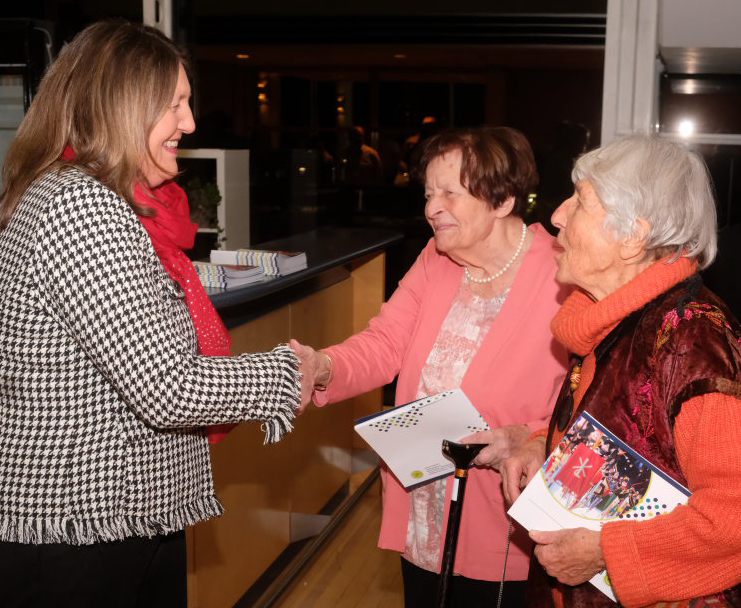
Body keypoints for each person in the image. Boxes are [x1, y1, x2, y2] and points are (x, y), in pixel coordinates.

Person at [0, 20, 318, 608]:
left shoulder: (75, 195)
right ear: (120, 105)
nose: (190, 123)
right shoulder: (83, 207)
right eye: (175, 103)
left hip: (112, 515)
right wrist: (292, 372)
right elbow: (168, 387)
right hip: (84, 523)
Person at [292, 126, 570, 608]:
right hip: (423, 510)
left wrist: (530, 437)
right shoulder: (436, 258)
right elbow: (385, 343)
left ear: (503, 200)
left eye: (450, 193)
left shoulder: (563, 275)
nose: (431, 208)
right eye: (428, 194)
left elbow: (592, 403)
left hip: (505, 523)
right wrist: (324, 366)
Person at [502, 135, 741, 607]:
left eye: (580, 201)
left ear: (633, 236)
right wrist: (543, 446)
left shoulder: (692, 340)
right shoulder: (611, 319)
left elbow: (732, 513)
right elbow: (624, 429)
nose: (557, 215)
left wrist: (605, 553)